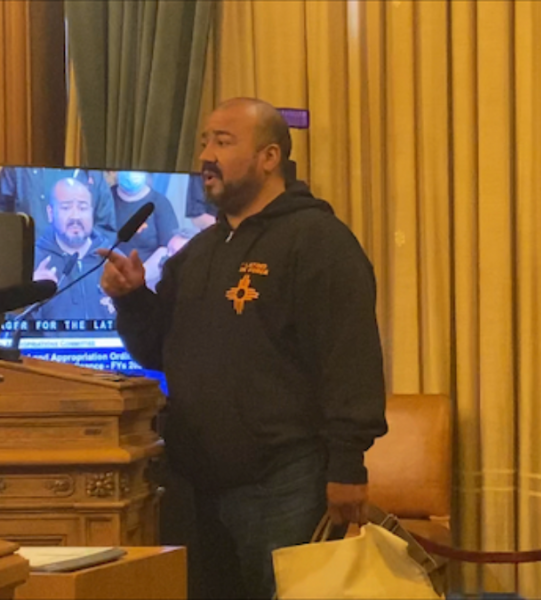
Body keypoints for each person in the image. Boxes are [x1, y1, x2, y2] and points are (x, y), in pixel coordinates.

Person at [98, 97, 387, 599]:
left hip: (284, 485)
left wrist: (348, 466)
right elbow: (156, 352)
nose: (206, 155)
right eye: (204, 141)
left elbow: (351, 359)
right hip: (198, 488)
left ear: (269, 157)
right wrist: (132, 300)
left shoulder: (319, 241)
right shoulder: (199, 253)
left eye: (223, 142)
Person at [33, 178, 115, 321]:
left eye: (83, 208)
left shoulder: (114, 260)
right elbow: (11, 327)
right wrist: (30, 295)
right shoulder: (32, 262)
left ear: (92, 212)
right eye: (66, 207)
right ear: (50, 213)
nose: (75, 216)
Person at [0, 166, 117, 240]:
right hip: (27, 268)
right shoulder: (19, 169)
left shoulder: (93, 175)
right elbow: (3, 221)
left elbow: (105, 233)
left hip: (78, 272)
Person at [111, 171, 180, 289]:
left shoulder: (160, 203)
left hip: (147, 283)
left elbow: (167, 248)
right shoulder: (105, 199)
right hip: (109, 279)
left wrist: (139, 277)